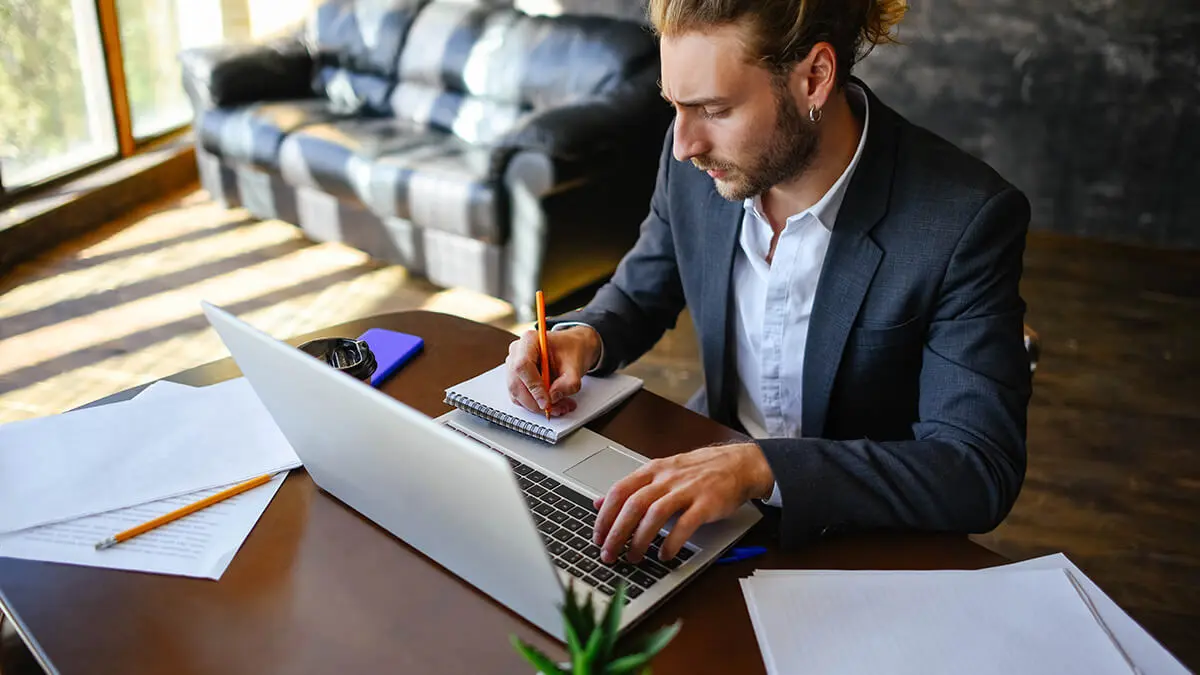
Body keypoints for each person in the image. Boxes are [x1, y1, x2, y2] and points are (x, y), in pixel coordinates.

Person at [505, 0, 1032, 566]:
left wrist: (761, 467)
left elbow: (977, 470)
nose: (684, 143)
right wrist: (583, 336)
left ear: (814, 78)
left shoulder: (963, 219)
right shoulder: (692, 159)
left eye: (713, 108)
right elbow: (640, 291)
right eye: (675, 106)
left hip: (859, 533)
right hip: (711, 499)